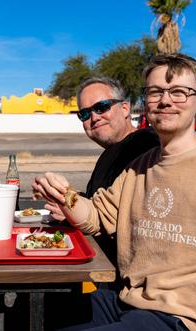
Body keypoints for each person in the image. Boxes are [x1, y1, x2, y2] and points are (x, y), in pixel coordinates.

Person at [22, 53, 196, 331]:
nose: (165, 100)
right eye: (155, 92)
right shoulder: (139, 167)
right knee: (38, 312)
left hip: (188, 326)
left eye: (179, 92)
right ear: (145, 105)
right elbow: (97, 216)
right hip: (130, 303)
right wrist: (65, 197)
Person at [46, 77, 159, 266]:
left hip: (122, 275)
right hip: (97, 261)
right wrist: (68, 203)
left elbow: (129, 213)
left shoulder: (145, 145)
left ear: (125, 109)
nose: (94, 117)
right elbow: (97, 202)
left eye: (101, 107)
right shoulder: (110, 153)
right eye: (84, 113)